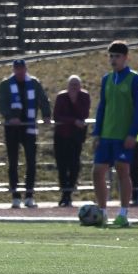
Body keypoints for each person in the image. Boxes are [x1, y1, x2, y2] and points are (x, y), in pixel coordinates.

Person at [91, 41, 138, 228]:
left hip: (124, 136)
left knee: (123, 171)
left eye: (117, 56)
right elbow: (102, 107)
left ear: (126, 57)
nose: (113, 60)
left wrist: (133, 133)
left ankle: (123, 213)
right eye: (111, 56)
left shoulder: (134, 79)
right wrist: (97, 133)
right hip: (106, 135)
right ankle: (102, 212)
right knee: (97, 172)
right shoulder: (107, 79)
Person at [0, 58, 50, 208]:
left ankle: (29, 195)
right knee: (13, 162)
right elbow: (1, 103)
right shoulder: (5, 84)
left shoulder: (34, 83)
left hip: (29, 126)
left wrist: (46, 114)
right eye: (17, 69)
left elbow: (43, 99)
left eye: (22, 68)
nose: (20, 71)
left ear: (26, 69)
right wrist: (10, 117)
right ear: (13, 69)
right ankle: (15, 196)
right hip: (12, 128)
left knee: (31, 162)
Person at [51, 75, 91, 207]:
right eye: (72, 84)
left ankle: (69, 193)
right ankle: (64, 193)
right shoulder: (61, 97)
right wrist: (73, 121)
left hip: (76, 136)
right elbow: (57, 116)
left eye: (76, 84)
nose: (74, 87)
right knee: (61, 165)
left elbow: (84, 114)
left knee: (74, 164)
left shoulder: (84, 96)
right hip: (61, 135)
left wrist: (75, 101)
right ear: (67, 86)